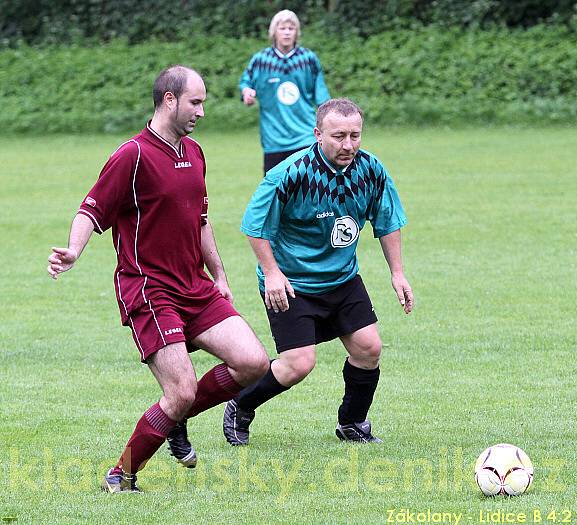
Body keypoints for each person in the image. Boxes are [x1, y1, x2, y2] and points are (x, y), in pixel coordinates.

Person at [47, 65, 269, 493]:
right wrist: (73, 250)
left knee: (253, 362)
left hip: (195, 285)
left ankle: (174, 420)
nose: (202, 111)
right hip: (149, 289)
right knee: (181, 389)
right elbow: (90, 210)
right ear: (169, 100)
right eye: (196, 102)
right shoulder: (132, 155)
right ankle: (121, 473)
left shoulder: (196, 153)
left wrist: (219, 274)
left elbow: (201, 220)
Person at [222, 98, 414, 445]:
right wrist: (273, 274)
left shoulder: (371, 170)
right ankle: (240, 404)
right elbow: (255, 226)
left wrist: (397, 273)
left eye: (355, 135)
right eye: (339, 136)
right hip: (292, 283)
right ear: (317, 134)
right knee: (298, 364)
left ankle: (352, 423)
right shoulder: (290, 173)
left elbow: (387, 221)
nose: (348, 145)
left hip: (341, 279)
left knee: (369, 348)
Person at [239, 9, 331, 174]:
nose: (287, 32)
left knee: (306, 190)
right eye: (282, 28)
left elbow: (322, 97)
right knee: (276, 191)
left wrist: (329, 120)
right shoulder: (261, 61)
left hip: (305, 135)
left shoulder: (308, 59)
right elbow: (246, 81)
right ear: (274, 32)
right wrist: (247, 92)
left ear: (297, 32)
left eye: (291, 28)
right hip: (273, 138)